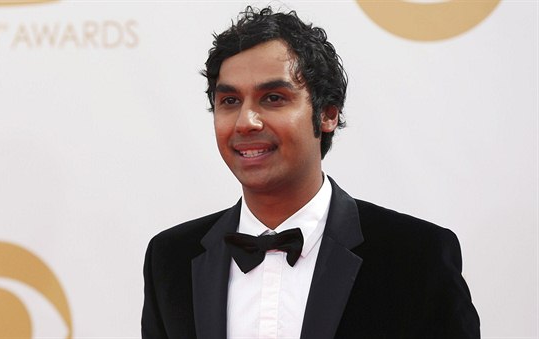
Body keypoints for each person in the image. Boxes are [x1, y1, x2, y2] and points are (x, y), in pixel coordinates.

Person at [142, 6, 480, 339]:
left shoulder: (416, 255)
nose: (246, 122)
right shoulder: (171, 258)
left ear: (328, 113)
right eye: (229, 101)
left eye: (273, 98)